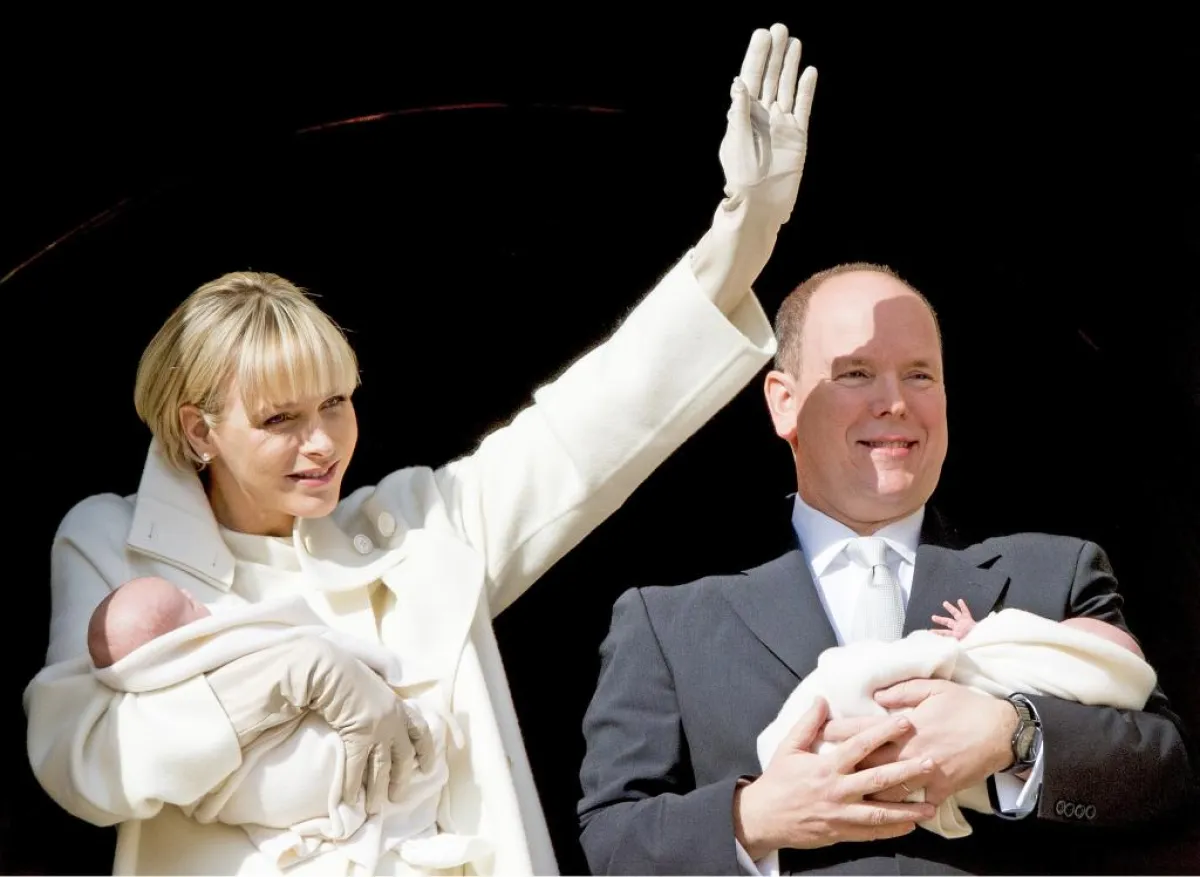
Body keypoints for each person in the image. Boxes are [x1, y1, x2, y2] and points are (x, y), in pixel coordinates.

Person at [23, 21, 817, 876]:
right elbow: (84, 762)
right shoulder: (116, 544)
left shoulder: (417, 530)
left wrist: (746, 228)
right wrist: (293, 673)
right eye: (280, 419)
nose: (322, 442)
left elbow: (595, 423)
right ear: (197, 428)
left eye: (336, 403)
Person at [577, 262, 1198, 875]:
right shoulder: (669, 619)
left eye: (919, 375)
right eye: (856, 373)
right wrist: (756, 816)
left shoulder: (1058, 572)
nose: (896, 403)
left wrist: (1013, 736)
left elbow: (1170, 772)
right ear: (785, 403)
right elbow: (612, 843)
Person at [85, 580, 482, 874]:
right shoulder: (219, 647)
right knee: (379, 759)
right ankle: (392, 815)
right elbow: (90, 745)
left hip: (251, 791)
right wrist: (373, 670)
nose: (193, 596)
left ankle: (366, 820)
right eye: (187, 601)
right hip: (258, 779)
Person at [755, 601, 1159, 844]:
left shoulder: (1068, 568)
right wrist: (753, 815)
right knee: (841, 689)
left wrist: (1014, 732)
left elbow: (1161, 757)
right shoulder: (708, 607)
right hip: (797, 787)